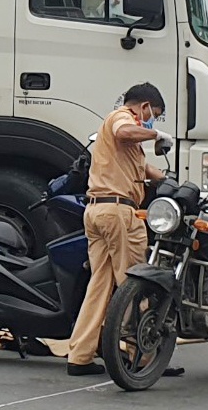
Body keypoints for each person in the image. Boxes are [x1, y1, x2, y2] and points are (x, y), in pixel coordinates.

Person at [67, 83, 182, 378]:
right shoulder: (122, 118)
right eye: (153, 115)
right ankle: (141, 356)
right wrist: (156, 134)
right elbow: (125, 131)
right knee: (138, 282)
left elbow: (144, 170)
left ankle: (79, 355)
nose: (151, 120)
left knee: (100, 286)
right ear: (142, 106)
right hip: (119, 212)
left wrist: (171, 182)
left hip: (97, 212)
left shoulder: (125, 144)